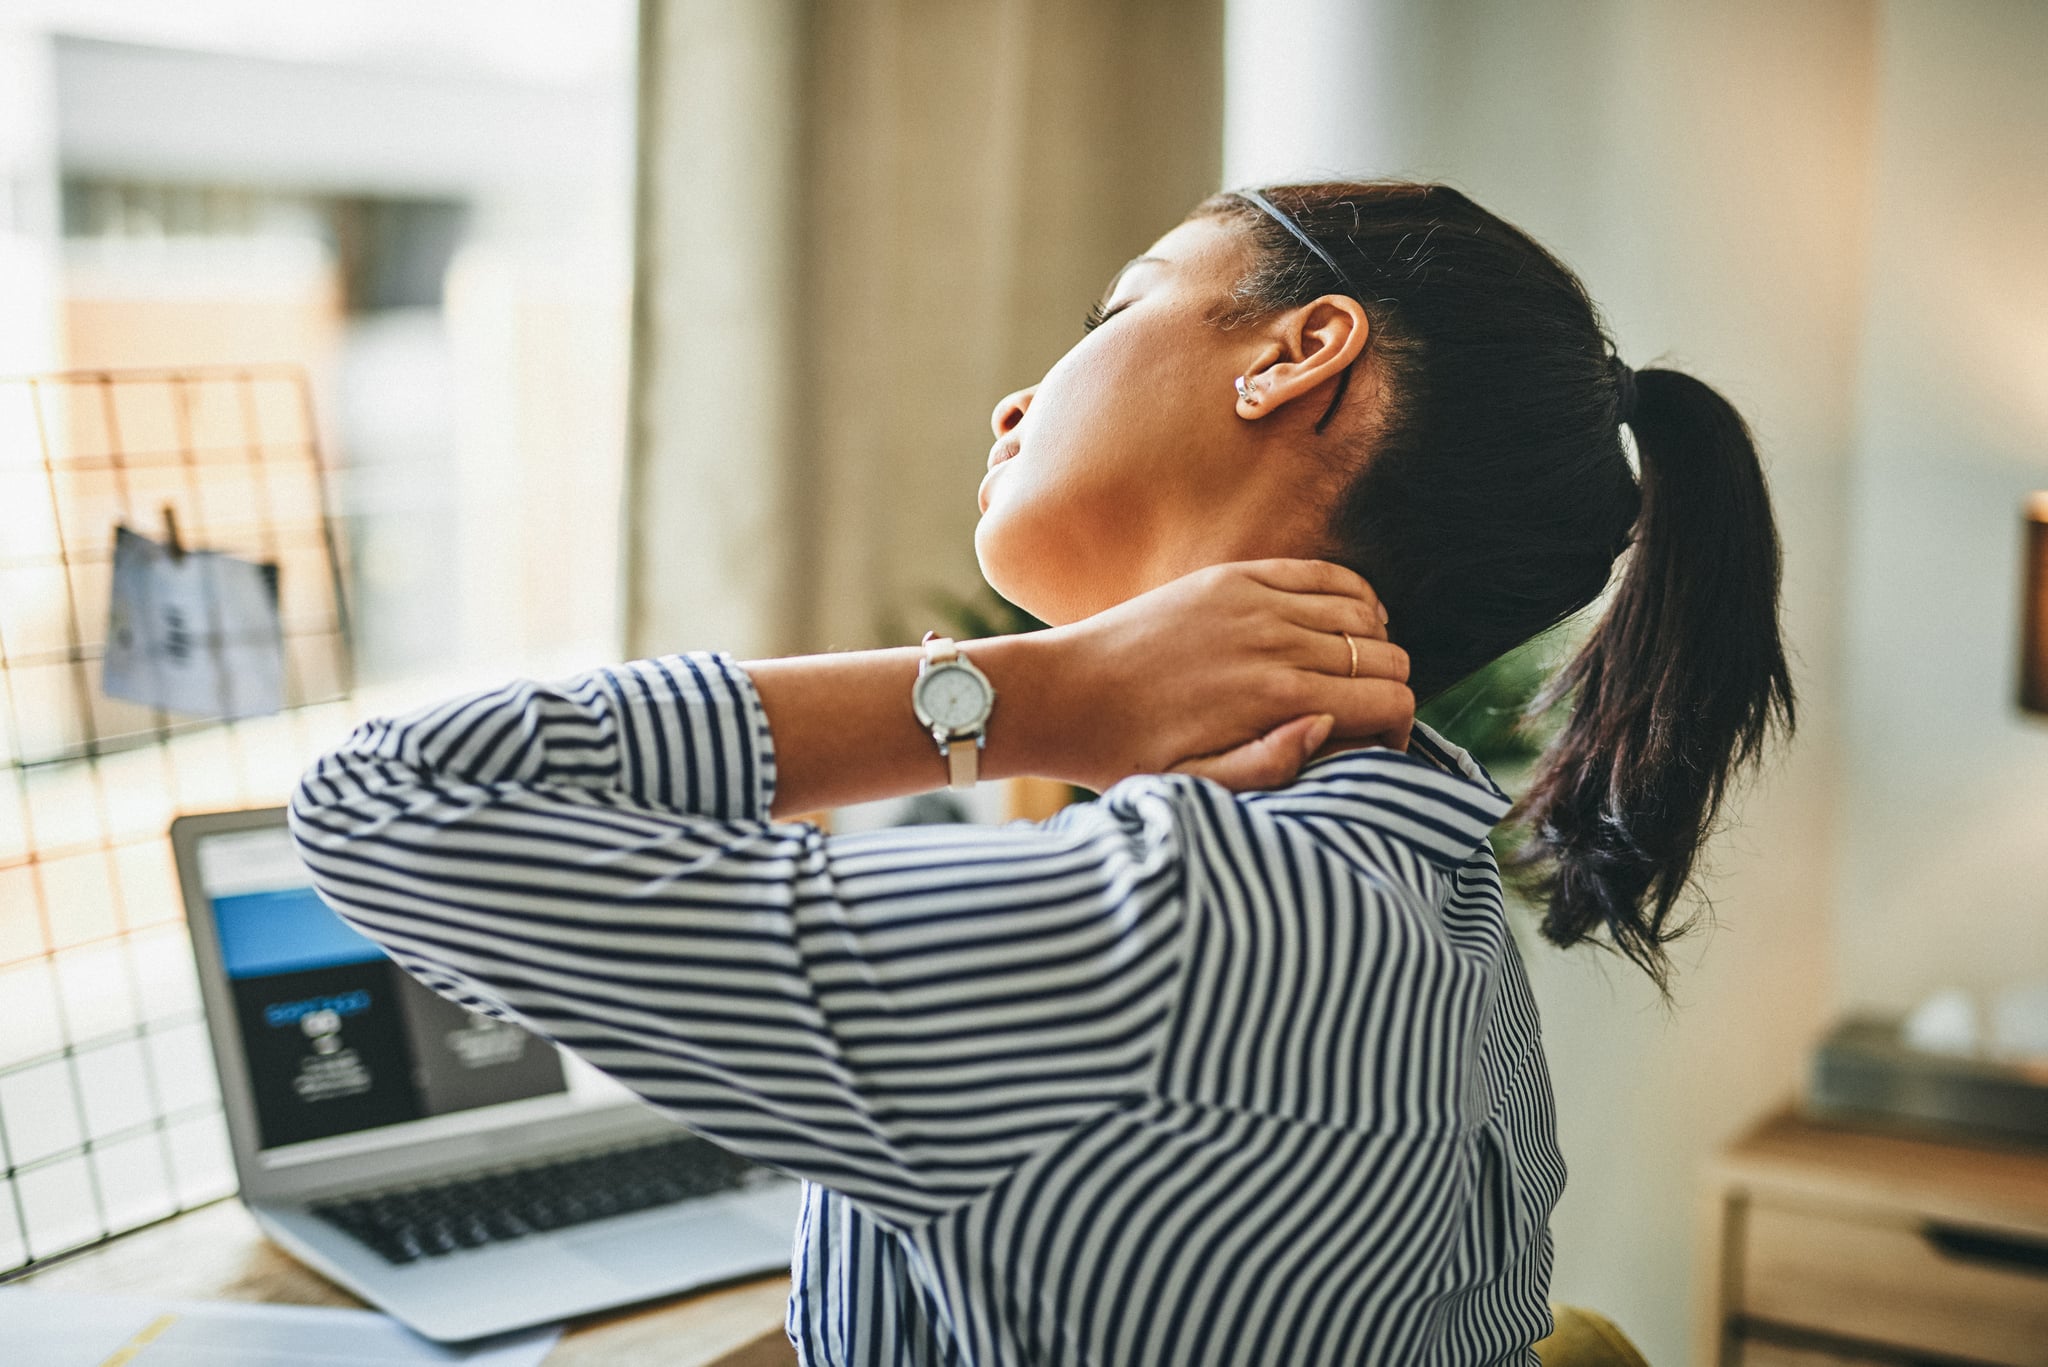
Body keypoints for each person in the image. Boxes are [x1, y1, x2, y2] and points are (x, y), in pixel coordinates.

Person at [290, 179, 1793, 1365]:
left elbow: (387, 807)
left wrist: (1032, 692)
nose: (1019, 399)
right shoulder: (1423, 881)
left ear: (1296, 352)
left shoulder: (1174, 923)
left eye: (1116, 308)